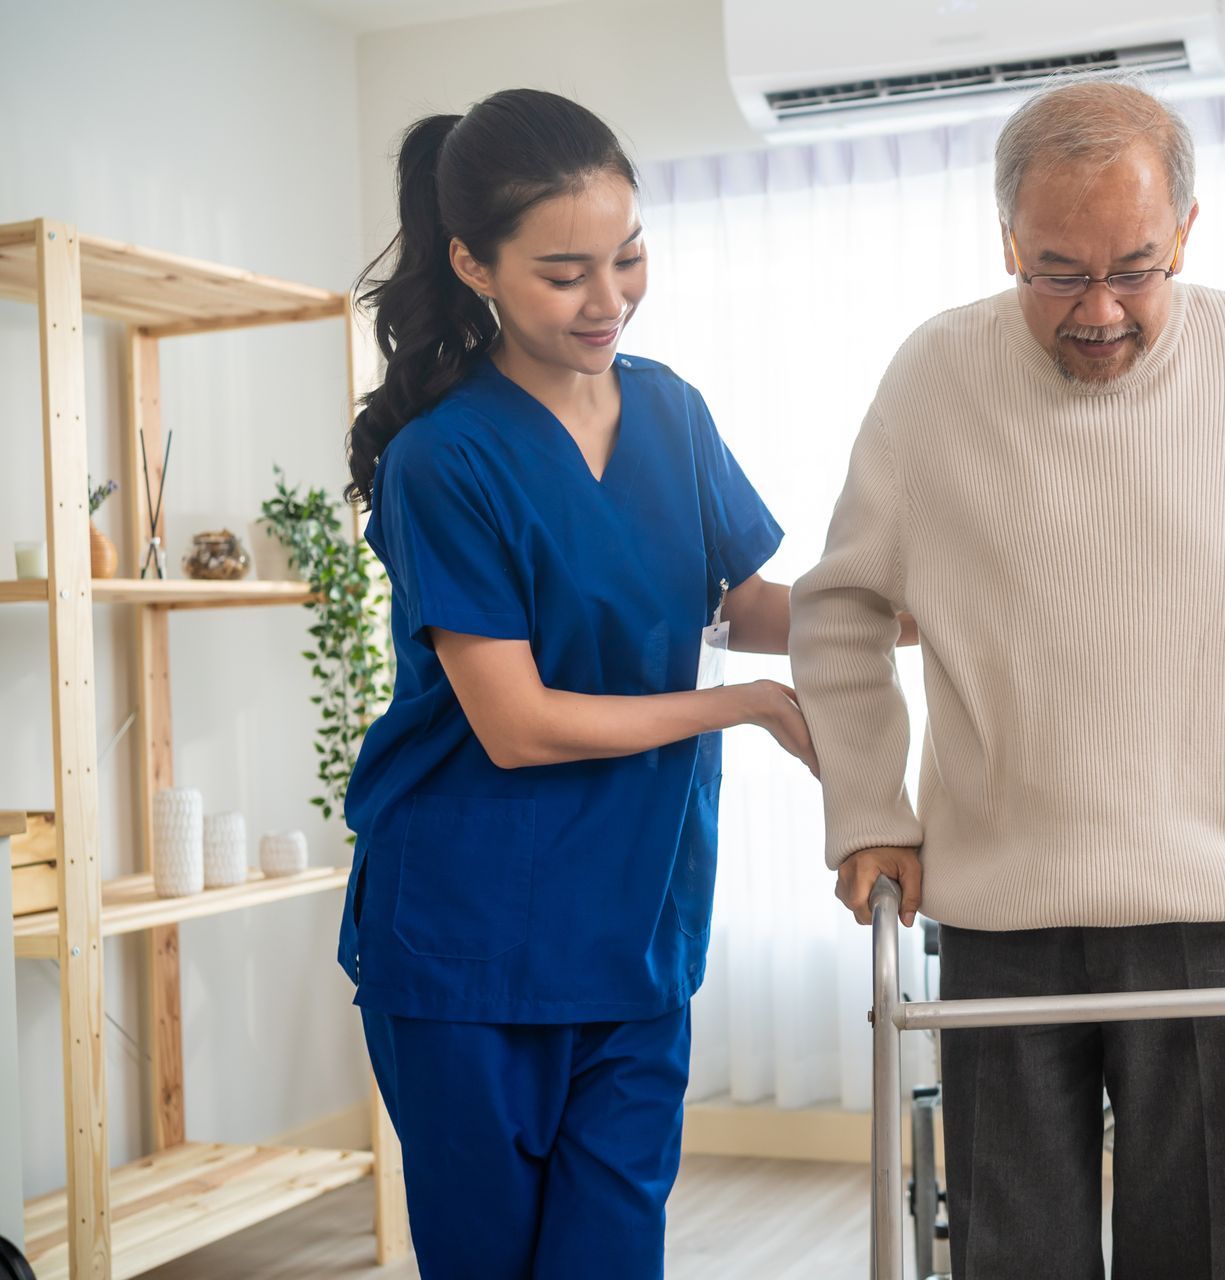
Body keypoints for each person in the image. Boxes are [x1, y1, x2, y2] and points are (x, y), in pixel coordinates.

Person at [790, 79, 1225, 1278]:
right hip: (1000, 897)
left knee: (1212, 1251)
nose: (1102, 309)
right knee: (1016, 1253)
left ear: (1186, 232)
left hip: (1214, 895)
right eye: (1059, 272)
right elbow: (842, 606)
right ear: (1007, 239)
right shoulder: (935, 375)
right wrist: (870, 809)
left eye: (1136, 266)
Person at [335, 88, 814, 1280]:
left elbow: (745, 604)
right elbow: (517, 723)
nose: (609, 299)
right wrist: (742, 705)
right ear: (473, 264)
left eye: (630, 256)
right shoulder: (444, 458)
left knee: (612, 1255)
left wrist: (926, 612)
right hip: (468, 938)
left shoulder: (671, 411)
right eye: (566, 272)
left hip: (636, 922)